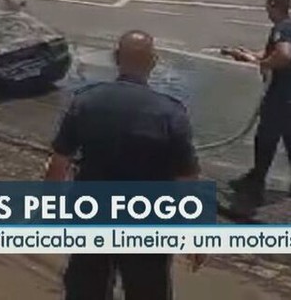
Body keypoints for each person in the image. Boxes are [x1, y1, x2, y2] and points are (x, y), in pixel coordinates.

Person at [45, 30, 203, 300]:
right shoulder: (170, 112)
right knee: (147, 290)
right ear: (153, 62)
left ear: (116, 58)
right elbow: (187, 179)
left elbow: (59, 163)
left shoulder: (86, 101)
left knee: (85, 289)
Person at [223, 0, 291, 206]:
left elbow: (284, 55)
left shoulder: (281, 29)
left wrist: (260, 64)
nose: (265, 9)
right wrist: (250, 55)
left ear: (273, 5)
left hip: (284, 94)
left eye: (267, 5)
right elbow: (275, 53)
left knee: (266, 139)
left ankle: (255, 186)